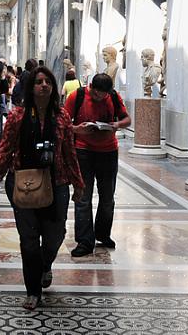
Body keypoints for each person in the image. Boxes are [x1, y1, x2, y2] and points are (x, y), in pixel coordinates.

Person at [0, 66, 84, 311]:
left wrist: (78, 183)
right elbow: (5, 149)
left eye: (47, 81)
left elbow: (69, 153)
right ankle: (33, 290)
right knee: (29, 240)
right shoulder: (18, 116)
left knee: (55, 236)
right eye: (39, 82)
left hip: (57, 182)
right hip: (23, 182)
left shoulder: (61, 117)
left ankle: (45, 264)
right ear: (31, 87)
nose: (44, 85)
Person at [65, 73, 131, 257]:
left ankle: (103, 234)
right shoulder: (76, 96)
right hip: (83, 151)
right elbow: (61, 123)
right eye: (97, 95)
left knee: (107, 197)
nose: (100, 98)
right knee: (83, 197)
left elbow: (127, 119)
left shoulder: (114, 96)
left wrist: (116, 124)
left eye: (104, 95)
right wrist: (78, 129)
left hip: (108, 152)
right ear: (91, 87)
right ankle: (85, 241)